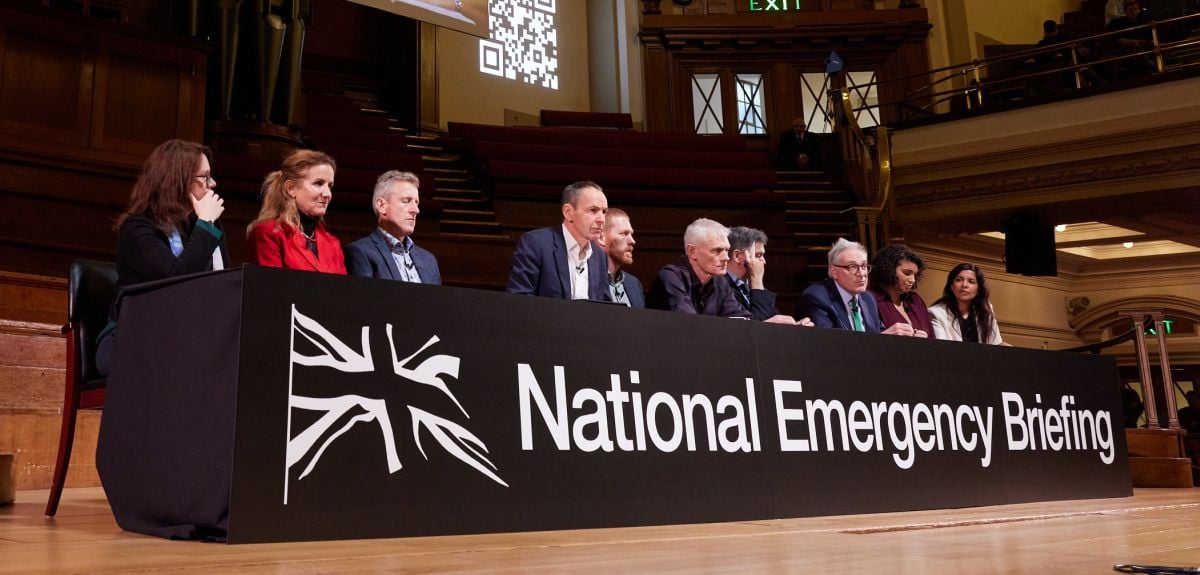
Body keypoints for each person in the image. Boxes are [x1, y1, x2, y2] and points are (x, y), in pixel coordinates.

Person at [95, 139, 229, 375]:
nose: (213, 184)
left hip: (187, 335)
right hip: (131, 337)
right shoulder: (137, 228)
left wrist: (208, 225)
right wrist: (206, 225)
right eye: (205, 177)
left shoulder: (203, 225)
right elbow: (176, 280)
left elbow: (223, 281)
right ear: (178, 181)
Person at [507, 180, 610, 301]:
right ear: (568, 212)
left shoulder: (599, 256)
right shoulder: (536, 243)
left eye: (604, 212)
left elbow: (604, 306)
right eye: (593, 210)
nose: (601, 219)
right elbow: (519, 298)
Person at [247, 149, 346, 274]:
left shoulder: (333, 243)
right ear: (291, 188)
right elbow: (269, 289)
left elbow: (343, 291)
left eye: (330, 186)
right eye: (318, 183)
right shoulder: (269, 233)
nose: (327, 194)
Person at [796, 238, 915, 335]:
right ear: (834, 271)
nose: (862, 273)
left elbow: (879, 331)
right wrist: (881, 339)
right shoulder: (816, 298)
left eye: (864, 266)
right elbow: (830, 344)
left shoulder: (868, 297)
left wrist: (904, 335)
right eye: (853, 267)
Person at [344, 171, 441, 284]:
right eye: (406, 201)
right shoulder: (360, 252)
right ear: (381, 206)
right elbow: (365, 300)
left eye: (416, 203)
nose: (416, 210)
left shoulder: (429, 260)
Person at [646, 218, 749, 318]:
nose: (726, 258)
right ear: (692, 251)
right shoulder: (671, 277)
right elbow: (690, 324)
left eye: (727, 250)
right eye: (717, 251)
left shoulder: (721, 282)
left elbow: (740, 320)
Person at [725, 227, 800, 325]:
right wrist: (757, 280)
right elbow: (756, 330)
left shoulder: (753, 286)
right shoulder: (722, 287)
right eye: (758, 255)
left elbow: (774, 319)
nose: (764, 262)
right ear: (737, 256)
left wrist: (797, 326)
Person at [928, 263, 1005, 345]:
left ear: (979, 289)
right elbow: (942, 348)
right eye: (958, 280)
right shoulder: (936, 313)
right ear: (951, 287)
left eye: (971, 282)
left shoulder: (986, 309)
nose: (964, 285)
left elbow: (996, 343)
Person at [867, 244, 933, 338]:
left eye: (915, 275)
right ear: (889, 269)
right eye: (907, 273)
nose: (912, 280)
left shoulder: (916, 300)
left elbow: (932, 337)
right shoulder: (867, 298)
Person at [597, 208, 643, 308]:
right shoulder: (586, 280)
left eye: (631, 234)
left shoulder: (634, 284)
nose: (632, 241)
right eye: (624, 234)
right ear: (601, 238)